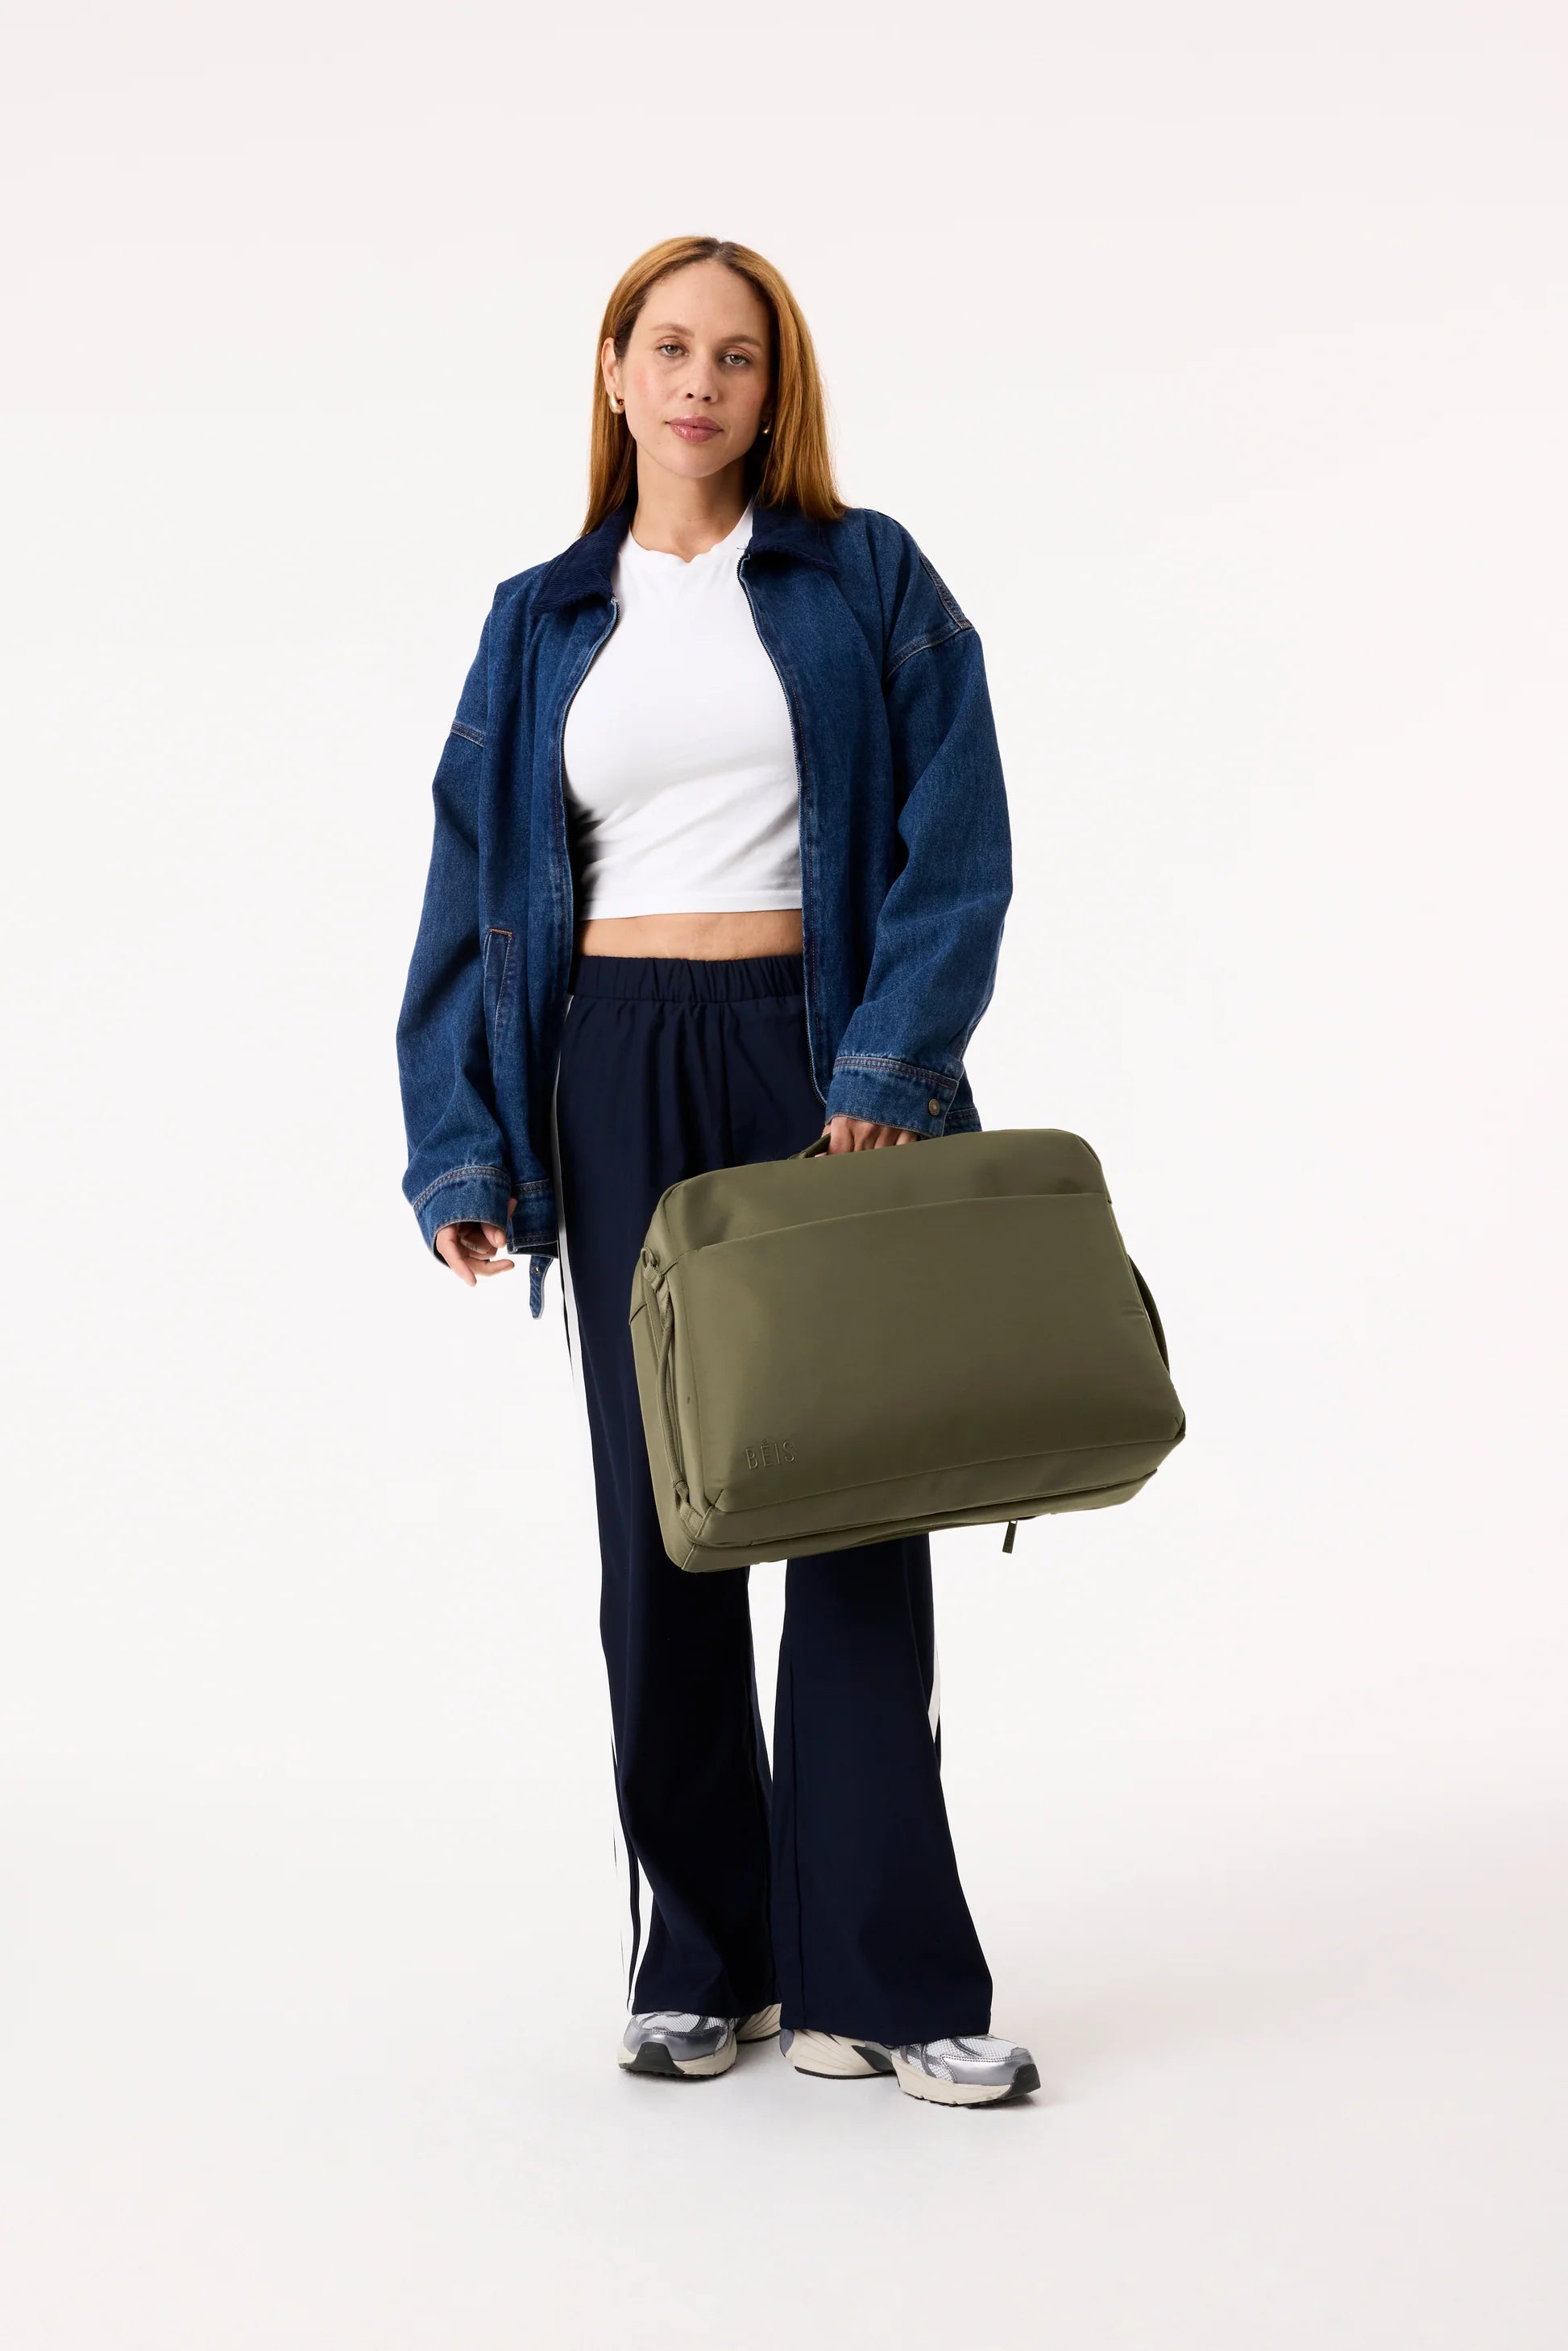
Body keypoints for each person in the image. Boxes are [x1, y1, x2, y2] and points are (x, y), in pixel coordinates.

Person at [396, 236, 1035, 2108]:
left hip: (814, 1061)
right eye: (667, 347)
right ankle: (706, 1960)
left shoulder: (864, 578)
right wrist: (463, 1138)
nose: (699, 383)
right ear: (613, 370)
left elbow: (957, 840)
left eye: (736, 357)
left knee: (852, 1509)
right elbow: (468, 883)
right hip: (612, 1067)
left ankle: (883, 1985)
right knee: (661, 1520)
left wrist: (888, 1068)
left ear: (774, 391)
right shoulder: (539, 620)